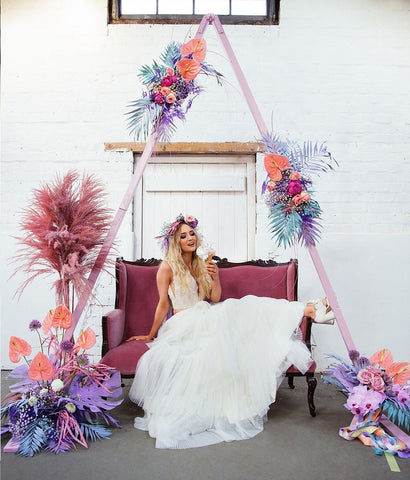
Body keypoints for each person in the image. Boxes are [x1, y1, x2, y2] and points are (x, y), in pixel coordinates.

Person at [127, 214, 334, 449]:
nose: (189, 238)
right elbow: (163, 304)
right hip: (183, 322)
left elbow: (214, 298)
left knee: (244, 306)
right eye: (183, 236)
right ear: (175, 242)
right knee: (240, 308)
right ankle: (310, 309)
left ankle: (309, 309)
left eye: (192, 233)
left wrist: (214, 277)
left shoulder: (201, 263)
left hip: (204, 314)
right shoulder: (167, 267)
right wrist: (151, 334)